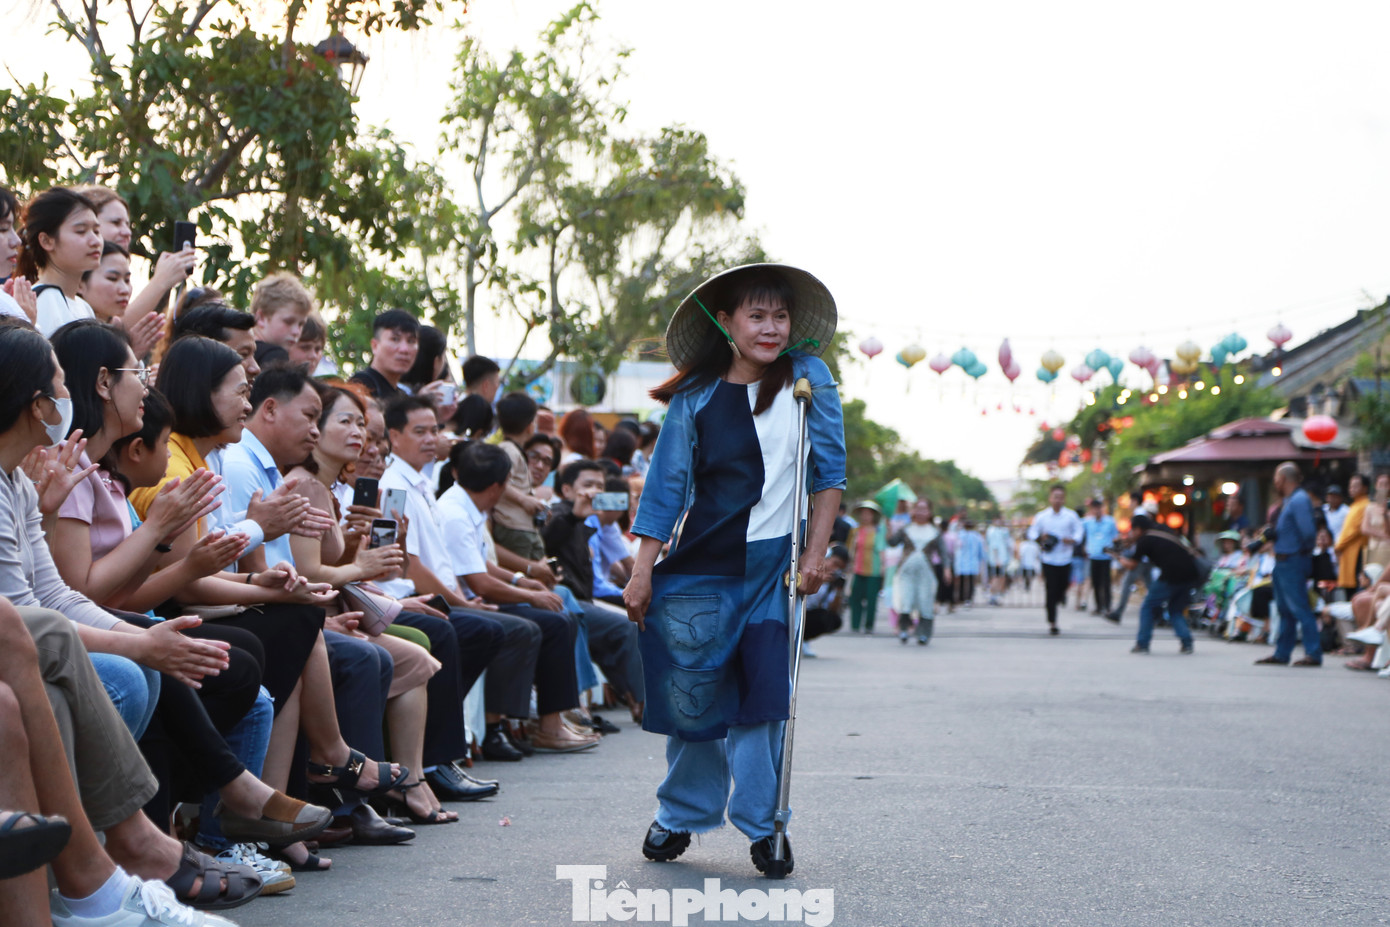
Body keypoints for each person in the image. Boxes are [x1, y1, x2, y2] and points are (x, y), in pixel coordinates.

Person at [622, 263, 845, 875]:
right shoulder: (695, 396)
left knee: (764, 701)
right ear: (726, 322)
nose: (771, 328)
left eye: (780, 316)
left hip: (774, 571)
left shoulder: (809, 377)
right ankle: (680, 814)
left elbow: (828, 475)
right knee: (693, 697)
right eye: (757, 315)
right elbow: (665, 489)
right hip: (702, 568)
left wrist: (814, 554)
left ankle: (765, 825)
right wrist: (642, 571)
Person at [1255, 462, 1324, 666]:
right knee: (1285, 611)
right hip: (1283, 561)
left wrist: (1299, 552)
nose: (1275, 482)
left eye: (1276, 478)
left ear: (1283, 479)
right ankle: (1282, 653)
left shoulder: (1299, 499)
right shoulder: (1290, 500)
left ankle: (1313, 653)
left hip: (1293, 560)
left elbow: (1308, 533)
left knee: (1300, 608)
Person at [15, 187, 102, 336]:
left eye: (96, 231)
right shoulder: (44, 301)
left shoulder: (84, 307)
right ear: (46, 241)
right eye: (81, 231)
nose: (96, 241)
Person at [1119, 513, 1197, 654]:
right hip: (1190, 574)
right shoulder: (1163, 529)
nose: (1131, 533)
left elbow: (1132, 565)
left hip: (1170, 576)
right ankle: (1187, 643)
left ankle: (1142, 643)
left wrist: (1119, 558)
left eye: (1132, 530)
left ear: (1138, 529)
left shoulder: (1144, 540)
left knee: (1148, 607)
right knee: (1175, 610)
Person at [490, 392, 548, 561]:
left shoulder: (513, 450)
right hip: (512, 526)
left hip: (523, 526)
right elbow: (498, 481)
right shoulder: (508, 450)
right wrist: (523, 500)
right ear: (530, 426)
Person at [1027, 485, 1084, 635]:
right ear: (1050, 498)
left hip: (1065, 558)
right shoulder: (1042, 516)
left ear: (1064, 499)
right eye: (1055, 497)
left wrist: (1072, 540)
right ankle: (1052, 622)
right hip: (1048, 558)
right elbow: (1032, 532)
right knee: (1050, 590)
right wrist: (1041, 537)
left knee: (1063, 586)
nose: (1058, 500)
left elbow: (1079, 532)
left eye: (1060, 497)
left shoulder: (1071, 516)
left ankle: (1061, 597)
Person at [890, 499, 940, 644]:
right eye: (918, 509)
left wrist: (948, 569)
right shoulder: (906, 529)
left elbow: (943, 552)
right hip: (906, 571)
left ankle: (924, 633)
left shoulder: (934, 532)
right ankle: (904, 629)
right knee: (906, 600)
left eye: (924, 509)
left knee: (925, 602)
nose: (920, 512)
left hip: (926, 572)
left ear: (929, 512)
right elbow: (892, 542)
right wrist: (888, 526)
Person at [349, 309, 419, 403]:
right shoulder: (361, 386)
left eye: (411, 341)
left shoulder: (403, 396)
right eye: (395, 339)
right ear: (375, 346)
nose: (404, 349)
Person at [801, 545, 849, 656]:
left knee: (833, 619)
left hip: (810, 614)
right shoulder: (808, 568)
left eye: (839, 568)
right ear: (827, 556)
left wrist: (839, 591)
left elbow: (832, 610)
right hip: (796, 610)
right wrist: (818, 581)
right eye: (835, 563)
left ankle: (804, 639)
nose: (835, 569)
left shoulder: (832, 582)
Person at [846, 501, 886, 632]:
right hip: (857, 569)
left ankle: (869, 625)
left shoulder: (878, 531)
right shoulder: (856, 531)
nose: (865, 516)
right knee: (855, 597)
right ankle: (855, 624)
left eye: (868, 514)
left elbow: (882, 550)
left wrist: (883, 568)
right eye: (863, 513)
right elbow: (850, 548)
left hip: (874, 570)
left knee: (871, 599)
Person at [249, 272, 314, 350]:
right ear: (261, 318)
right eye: (288, 322)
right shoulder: (275, 355)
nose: (296, 332)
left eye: (300, 325)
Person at [1333, 474, 1370, 600]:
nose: (1352, 489)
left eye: (1355, 486)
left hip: (1356, 552)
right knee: (1349, 590)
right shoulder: (1354, 505)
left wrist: (1339, 545)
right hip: (1347, 551)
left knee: (1355, 590)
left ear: (1365, 488)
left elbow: (1354, 531)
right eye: (1350, 486)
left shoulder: (1365, 505)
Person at [1082, 498, 1118, 616]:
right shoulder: (1088, 522)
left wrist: (1114, 551)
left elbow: (1115, 537)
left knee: (1106, 583)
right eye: (1094, 508)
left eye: (1098, 508)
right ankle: (1098, 606)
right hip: (1093, 556)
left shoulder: (1110, 521)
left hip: (1106, 557)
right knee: (1096, 582)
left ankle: (1107, 606)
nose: (1097, 510)